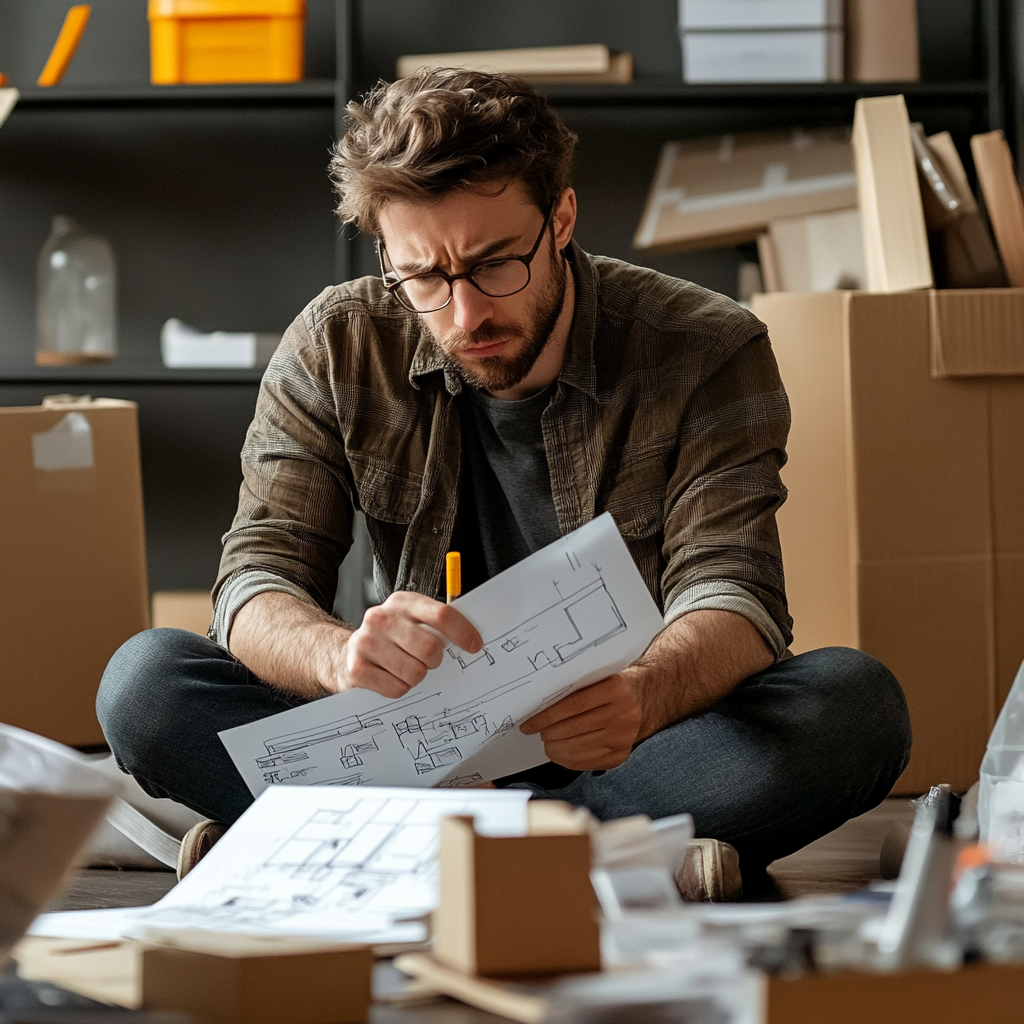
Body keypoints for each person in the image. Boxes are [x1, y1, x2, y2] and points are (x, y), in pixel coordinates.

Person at [98, 69, 911, 896]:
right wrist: (339, 657)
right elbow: (257, 579)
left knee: (854, 704)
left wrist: (645, 695)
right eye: (423, 277)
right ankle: (595, 861)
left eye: (494, 265)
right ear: (387, 253)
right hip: (407, 755)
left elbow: (733, 593)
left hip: (626, 746)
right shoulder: (336, 342)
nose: (464, 315)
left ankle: (361, 848)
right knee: (146, 684)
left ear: (560, 218)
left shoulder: (706, 348)